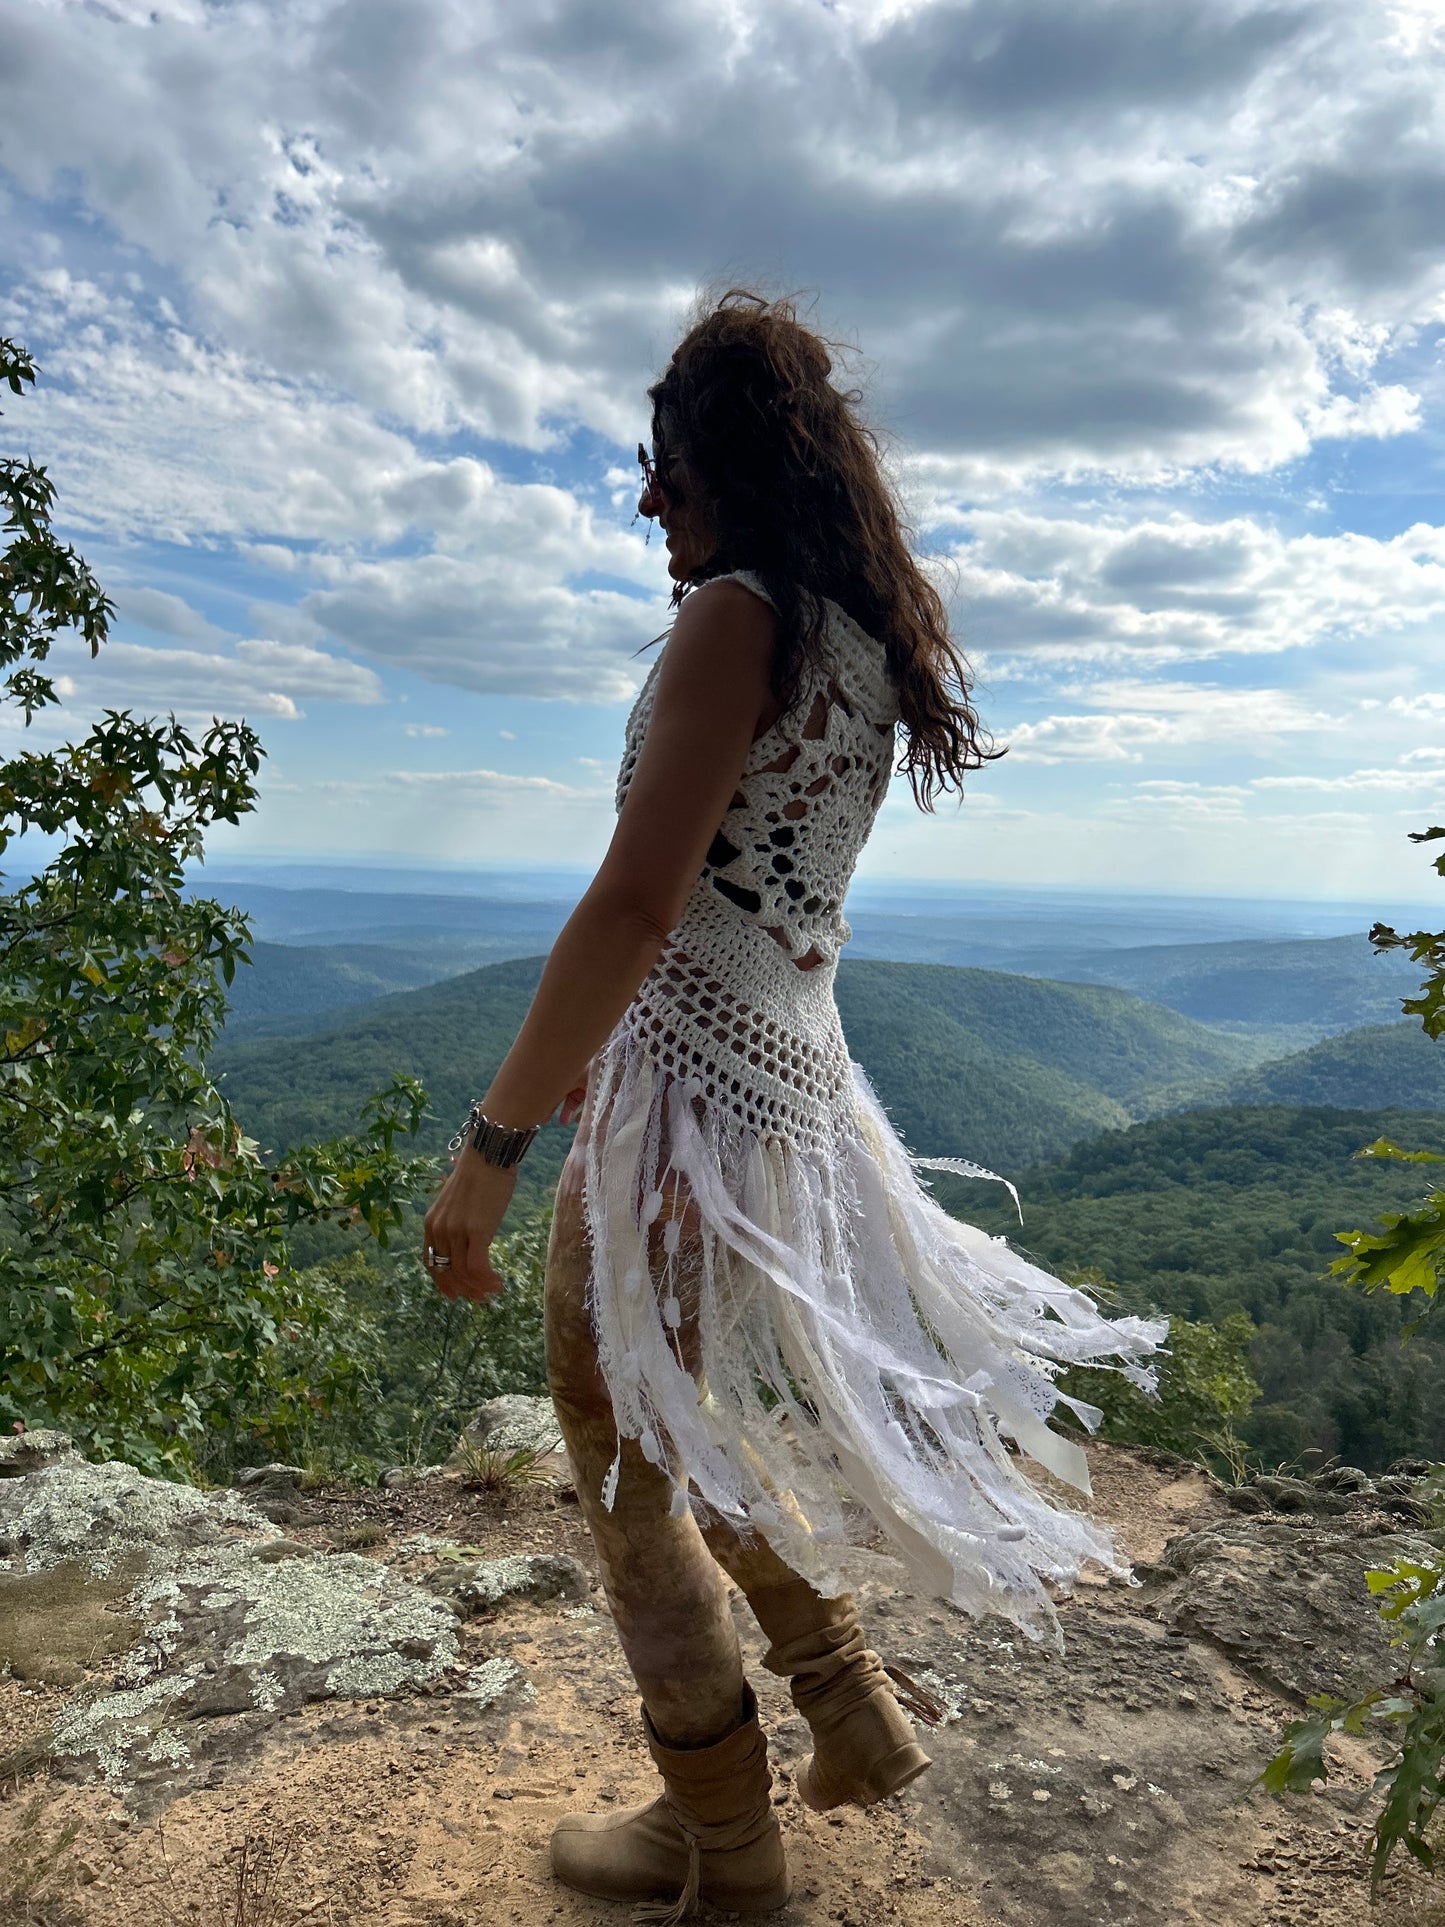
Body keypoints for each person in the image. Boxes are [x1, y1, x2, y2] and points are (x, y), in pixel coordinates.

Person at [421, 290, 1166, 1921]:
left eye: (663, 468)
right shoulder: (854, 641)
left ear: (728, 465)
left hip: (680, 1117)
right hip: (782, 1100)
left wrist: (491, 1142)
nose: (645, 500)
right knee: (672, 1439)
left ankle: (726, 1849)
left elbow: (635, 904)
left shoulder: (736, 620)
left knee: (623, 1472)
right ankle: (840, 1704)